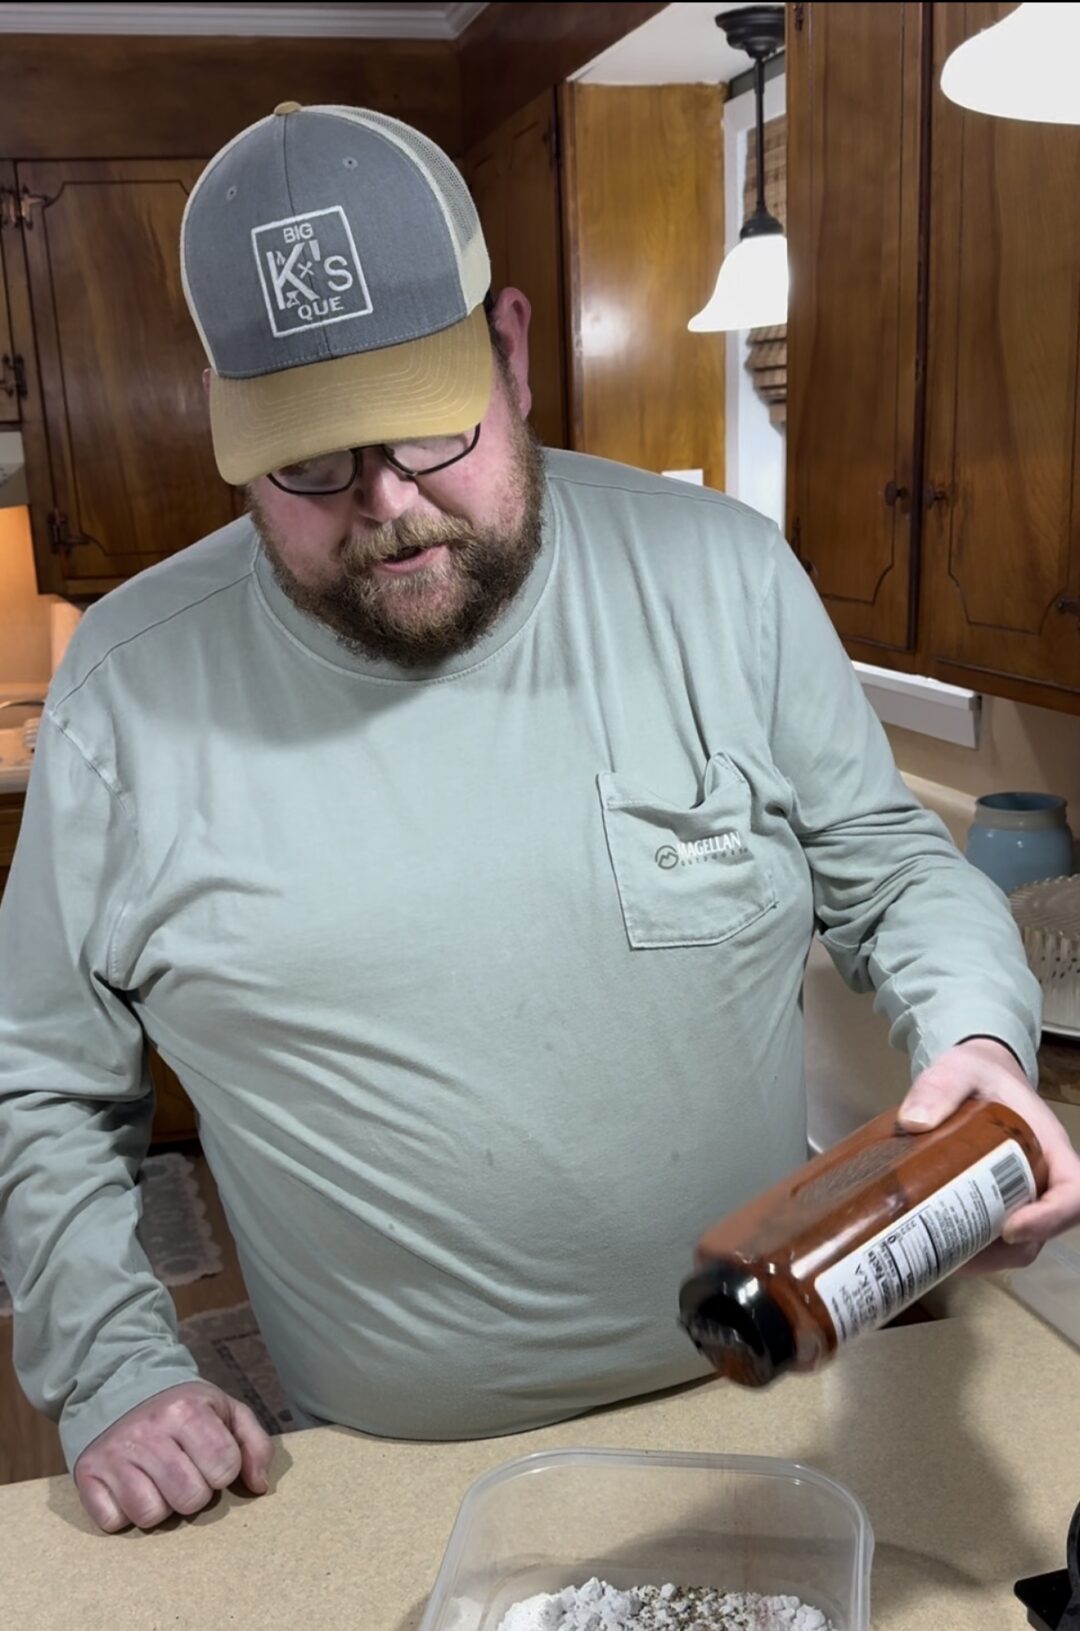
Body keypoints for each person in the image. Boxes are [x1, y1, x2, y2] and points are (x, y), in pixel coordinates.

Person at [1, 104, 1078, 1537]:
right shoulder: (125, 699)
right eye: (311, 464)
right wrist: (115, 1371)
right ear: (225, 422)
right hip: (387, 1472)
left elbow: (885, 871)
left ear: (509, 346)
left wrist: (982, 1045)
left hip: (771, 1409)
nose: (387, 507)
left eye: (428, 430)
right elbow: (42, 1087)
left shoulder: (724, 580)